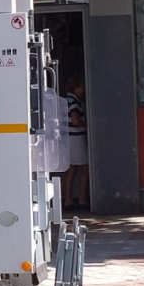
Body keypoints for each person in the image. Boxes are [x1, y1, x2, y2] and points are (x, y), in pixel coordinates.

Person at [63, 79, 89, 211]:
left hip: (68, 138)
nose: (83, 91)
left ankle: (67, 199)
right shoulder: (74, 102)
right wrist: (87, 123)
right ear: (76, 88)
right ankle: (82, 199)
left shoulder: (65, 100)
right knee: (84, 169)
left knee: (71, 169)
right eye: (82, 88)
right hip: (77, 138)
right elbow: (75, 121)